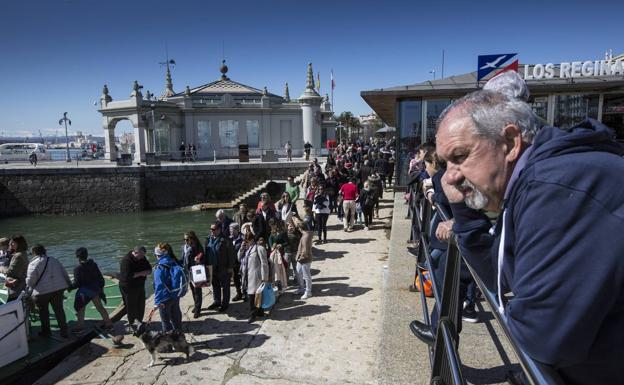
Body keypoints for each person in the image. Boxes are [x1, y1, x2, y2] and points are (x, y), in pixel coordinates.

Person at [428, 71, 624, 385]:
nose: (448, 177)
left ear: (509, 142)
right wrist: (463, 207)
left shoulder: (558, 186)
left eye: (460, 157)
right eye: (445, 163)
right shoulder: (529, 182)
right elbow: (498, 276)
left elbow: (543, 336)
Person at [26, 244, 71, 338]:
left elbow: (30, 281)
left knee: (43, 312)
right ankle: (64, 332)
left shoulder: (33, 264)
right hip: (58, 289)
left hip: (42, 292)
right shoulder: (54, 259)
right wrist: (68, 283)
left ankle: (46, 332)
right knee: (59, 310)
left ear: (34, 252)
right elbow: (63, 272)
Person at [70, 247, 112, 331]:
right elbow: (100, 278)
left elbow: (77, 283)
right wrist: (101, 289)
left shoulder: (77, 269)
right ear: (87, 255)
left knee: (80, 308)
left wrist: (69, 287)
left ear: (78, 257)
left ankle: (80, 327)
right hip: (95, 289)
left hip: (85, 292)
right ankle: (109, 324)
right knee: (100, 307)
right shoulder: (93, 264)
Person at [238, 231, 268, 323]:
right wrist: (241, 248)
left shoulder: (259, 248)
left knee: (253, 296)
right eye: (245, 241)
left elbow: (264, 264)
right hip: (247, 275)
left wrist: (264, 278)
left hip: (256, 276)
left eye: (247, 241)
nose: (245, 242)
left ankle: (252, 315)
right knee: (256, 295)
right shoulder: (246, 249)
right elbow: (239, 258)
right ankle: (260, 312)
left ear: (251, 240)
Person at [118, 246, 152, 327]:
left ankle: (139, 322)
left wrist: (138, 274)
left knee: (141, 305)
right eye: (141, 256)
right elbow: (127, 276)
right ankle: (133, 325)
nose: (142, 258)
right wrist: (142, 273)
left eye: (143, 256)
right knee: (131, 307)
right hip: (128, 287)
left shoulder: (142, 258)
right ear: (135, 253)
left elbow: (149, 269)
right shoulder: (126, 261)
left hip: (140, 285)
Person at [205, 222, 236, 312]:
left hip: (223, 267)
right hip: (212, 267)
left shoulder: (226, 240)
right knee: (215, 285)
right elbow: (206, 252)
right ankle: (217, 301)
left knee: (225, 286)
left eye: (213, 229)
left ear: (219, 230)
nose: (211, 231)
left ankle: (225, 304)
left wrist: (230, 267)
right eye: (211, 229)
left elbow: (232, 254)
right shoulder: (208, 239)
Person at [153, 243, 183, 332]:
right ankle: (180, 339)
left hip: (164, 299)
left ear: (157, 255)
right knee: (176, 319)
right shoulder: (173, 261)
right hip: (175, 295)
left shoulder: (160, 267)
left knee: (165, 323)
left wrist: (157, 302)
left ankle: (168, 344)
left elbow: (159, 286)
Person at [181, 231, 206, 318]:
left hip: (196, 271)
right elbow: (183, 259)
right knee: (192, 290)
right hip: (188, 272)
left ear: (192, 238)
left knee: (197, 291)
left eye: (187, 239)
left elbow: (203, 259)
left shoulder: (198, 247)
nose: (185, 241)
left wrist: (199, 260)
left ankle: (198, 310)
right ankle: (196, 305)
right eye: (184, 239)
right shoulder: (184, 247)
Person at [295, 204, 314, 299]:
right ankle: (302, 288)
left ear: (300, 228)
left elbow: (305, 251)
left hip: (305, 258)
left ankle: (308, 291)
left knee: (306, 275)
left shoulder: (306, 237)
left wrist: (300, 258)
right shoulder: (305, 235)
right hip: (301, 258)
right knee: (298, 272)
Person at [4, 235, 29, 301]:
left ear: (19, 243)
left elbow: (10, 271)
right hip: (22, 285)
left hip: (16, 287)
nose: (10, 244)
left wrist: (1, 269)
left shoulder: (17, 256)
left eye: (12, 243)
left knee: (10, 305)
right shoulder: (24, 253)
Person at [229, 223, 245, 301]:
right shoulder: (229, 238)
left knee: (244, 278)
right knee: (235, 278)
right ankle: (239, 293)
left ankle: (245, 293)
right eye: (230, 230)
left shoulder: (242, 238)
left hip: (241, 262)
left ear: (236, 230)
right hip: (233, 262)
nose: (230, 231)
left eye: (231, 230)